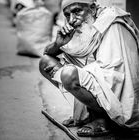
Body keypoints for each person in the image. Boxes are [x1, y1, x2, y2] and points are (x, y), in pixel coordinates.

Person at [39, 0, 139, 137]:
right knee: (46, 63)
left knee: (69, 74)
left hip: (117, 88)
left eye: (76, 11)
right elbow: (47, 54)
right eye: (67, 15)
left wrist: (81, 72)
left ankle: (102, 118)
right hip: (99, 77)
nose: (72, 19)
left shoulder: (112, 23)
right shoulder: (84, 24)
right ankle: (89, 114)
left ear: (92, 8)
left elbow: (115, 76)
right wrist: (58, 44)